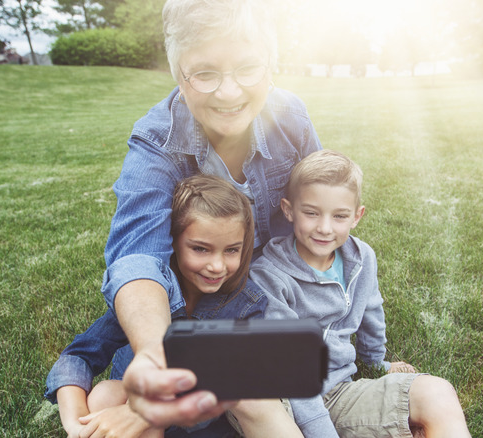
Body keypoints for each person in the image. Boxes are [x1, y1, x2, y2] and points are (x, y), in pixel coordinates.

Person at [100, 0, 322, 428]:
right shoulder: (156, 141)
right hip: (196, 312)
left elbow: (321, 218)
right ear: (179, 76)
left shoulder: (291, 117)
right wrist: (155, 353)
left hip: (274, 304)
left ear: (271, 67)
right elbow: (136, 257)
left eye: (247, 68)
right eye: (205, 73)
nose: (229, 91)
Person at [46, 175, 303, 438]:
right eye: (201, 249)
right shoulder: (146, 300)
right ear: (173, 243)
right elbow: (78, 356)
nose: (217, 266)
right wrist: (77, 422)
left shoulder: (246, 304)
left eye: (231, 250)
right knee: (105, 394)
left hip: (210, 428)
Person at [249, 150, 472, 438]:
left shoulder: (361, 258)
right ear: (289, 210)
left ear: (357, 216)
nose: (324, 228)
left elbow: (371, 310)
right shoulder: (270, 277)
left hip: (338, 391)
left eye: (339, 216)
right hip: (284, 404)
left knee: (437, 393)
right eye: (311, 213)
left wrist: (376, 361)